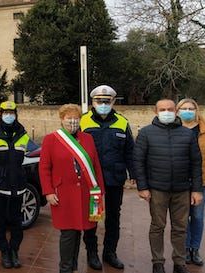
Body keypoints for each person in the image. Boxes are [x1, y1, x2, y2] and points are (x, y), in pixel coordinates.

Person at [133, 99, 203, 273]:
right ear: (155, 112)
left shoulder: (187, 134)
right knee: (157, 226)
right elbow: (138, 161)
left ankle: (179, 262)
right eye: (162, 109)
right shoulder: (146, 133)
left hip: (182, 190)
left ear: (176, 111)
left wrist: (196, 189)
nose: (167, 112)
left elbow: (196, 163)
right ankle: (158, 262)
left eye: (170, 109)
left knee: (180, 227)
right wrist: (142, 187)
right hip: (157, 189)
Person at [39, 104, 105, 273]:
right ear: (62, 119)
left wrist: (100, 191)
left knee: (88, 228)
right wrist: (48, 191)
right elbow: (44, 168)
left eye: (76, 118)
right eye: (69, 118)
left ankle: (84, 260)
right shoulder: (51, 139)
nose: (73, 121)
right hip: (64, 194)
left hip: (88, 192)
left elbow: (96, 165)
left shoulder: (88, 138)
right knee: (68, 233)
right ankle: (66, 268)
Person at [80, 85, 135, 270]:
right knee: (93, 216)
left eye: (106, 101)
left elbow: (130, 151)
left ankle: (110, 252)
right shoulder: (83, 122)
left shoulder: (122, 122)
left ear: (112, 102)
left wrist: (134, 174)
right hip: (92, 180)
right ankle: (92, 252)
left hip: (114, 178)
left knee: (113, 216)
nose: (103, 104)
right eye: (99, 101)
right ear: (93, 102)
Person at [176, 98, 205, 266]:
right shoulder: (174, 128)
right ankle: (184, 248)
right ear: (177, 111)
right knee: (183, 217)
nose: (188, 111)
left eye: (191, 108)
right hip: (180, 181)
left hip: (202, 180)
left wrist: (202, 166)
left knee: (198, 216)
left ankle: (195, 248)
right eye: (184, 108)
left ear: (196, 110)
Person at [0, 101, 30, 269]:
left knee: (16, 221)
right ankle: (4, 251)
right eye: (6, 112)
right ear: (1, 114)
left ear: (16, 114)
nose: (9, 115)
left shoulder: (23, 134)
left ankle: (14, 250)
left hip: (18, 185)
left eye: (12, 112)